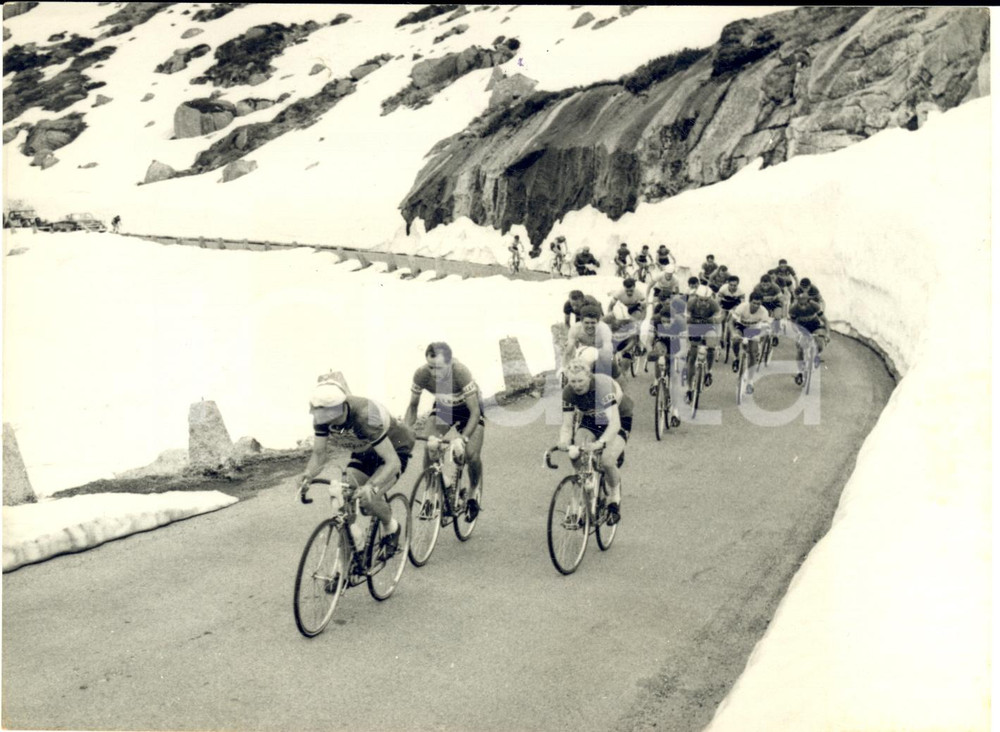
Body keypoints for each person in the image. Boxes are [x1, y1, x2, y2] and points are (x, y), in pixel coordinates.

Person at [300, 376, 413, 554]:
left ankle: (391, 526)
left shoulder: (365, 416)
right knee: (342, 496)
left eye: (327, 418)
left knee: (368, 499)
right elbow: (319, 454)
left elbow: (392, 462)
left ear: (338, 410)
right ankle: (346, 561)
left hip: (395, 449)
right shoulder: (322, 417)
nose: (323, 422)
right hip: (365, 450)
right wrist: (308, 474)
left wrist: (372, 486)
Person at [405, 342, 485, 515]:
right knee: (429, 446)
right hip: (444, 409)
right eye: (431, 367)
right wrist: (404, 434)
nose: (435, 373)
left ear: (450, 362)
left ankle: (472, 491)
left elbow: (475, 412)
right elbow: (412, 407)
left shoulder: (461, 372)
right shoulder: (421, 374)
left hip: (468, 411)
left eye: (439, 368)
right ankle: (436, 489)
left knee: (471, 455)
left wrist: (463, 439)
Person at [558, 359, 632, 524]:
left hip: (618, 417)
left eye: (581, 381)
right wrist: (564, 441)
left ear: (589, 378)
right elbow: (567, 425)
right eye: (573, 381)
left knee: (607, 460)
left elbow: (614, 424)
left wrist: (602, 442)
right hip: (592, 419)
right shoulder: (568, 392)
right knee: (576, 453)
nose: (577, 385)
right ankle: (577, 505)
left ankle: (614, 497)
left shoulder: (601, 387)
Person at [684, 284, 721, 401]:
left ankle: (709, 371)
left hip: (709, 328)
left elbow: (719, 320)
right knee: (692, 357)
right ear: (696, 297)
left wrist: (717, 340)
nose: (704, 303)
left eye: (706, 300)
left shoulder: (714, 304)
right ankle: (689, 389)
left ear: (710, 299)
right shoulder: (691, 302)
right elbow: (685, 320)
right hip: (694, 327)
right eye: (701, 300)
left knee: (711, 347)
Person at [563, 305, 619, 381]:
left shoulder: (604, 329)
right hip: (586, 352)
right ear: (581, 321)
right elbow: (568, 351)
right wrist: (565, 370)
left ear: (598, 322)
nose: (590, 326)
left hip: (602, 351)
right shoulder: (575, 329)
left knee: (613, 371)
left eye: (593, 323)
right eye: (586, 323)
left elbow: (607, 350)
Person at [729, 293, 770, 394]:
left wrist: (759, 336)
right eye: (754, 303)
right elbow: (730, 322)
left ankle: (750, 381)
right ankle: (736, 358)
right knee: (735, 340)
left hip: (753, 330)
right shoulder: (742, 307)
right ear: (750, 301)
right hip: (741, 327)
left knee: (752, 352)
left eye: (758, 304)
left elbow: (765, 329)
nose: (756, 305)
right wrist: (734, 333)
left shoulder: (764, 311)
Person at [605, 277, 647, 363]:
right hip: (622, 309)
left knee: (636, 324)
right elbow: (610, 307)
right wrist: (610, 316)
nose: (629, 292)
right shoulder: (619, 292)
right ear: (624, 288)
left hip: (634, 309)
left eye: (631, 290)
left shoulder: (639, 293)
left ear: (634, 287)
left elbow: (644, 308)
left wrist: (642, 320)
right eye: (627, 290)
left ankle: (638, 342)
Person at [752, 274, 784, 346]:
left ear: (771, 283)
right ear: (760, 283)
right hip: (764, 304)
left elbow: (782, 300)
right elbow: (752, 300)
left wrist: (782, 312)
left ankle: (775, 335)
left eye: (767, 285)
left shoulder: (775, 287)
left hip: (775, 304)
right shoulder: (757, 288)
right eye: (763, 285)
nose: (765, 287)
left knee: (777, 317)